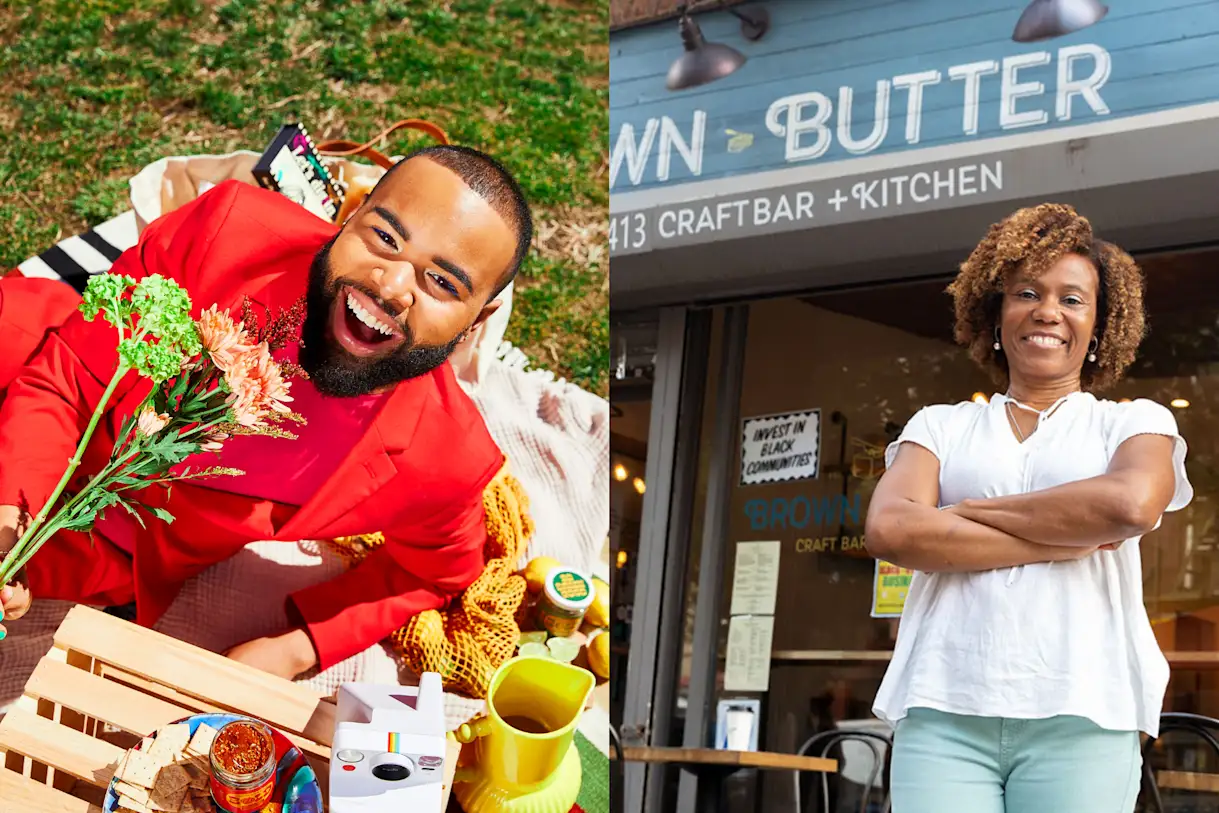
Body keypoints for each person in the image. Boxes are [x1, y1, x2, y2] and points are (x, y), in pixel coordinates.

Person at [0, 144, 533, 679]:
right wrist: (11, 519)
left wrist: (294, 648)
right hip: (23, 392)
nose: (390, 287)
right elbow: (64, 378)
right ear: (350, 215)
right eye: (385, 238)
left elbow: (438, 573)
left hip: (96, 553)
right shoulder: (229, 230)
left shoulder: (446, 456)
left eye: (441, 283)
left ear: (476, 321)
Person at [865, 203, 1192, 813]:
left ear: (1099, 327)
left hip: (1084, 711)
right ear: (995, 315)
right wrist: (1064, 537)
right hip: (943, 707)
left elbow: (1130, 504)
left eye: (1073, 299)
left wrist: (956, 516)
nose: (1048, 311)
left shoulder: (1133, 422)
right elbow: (890, 529)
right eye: (1027, 293)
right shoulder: (939, 426)